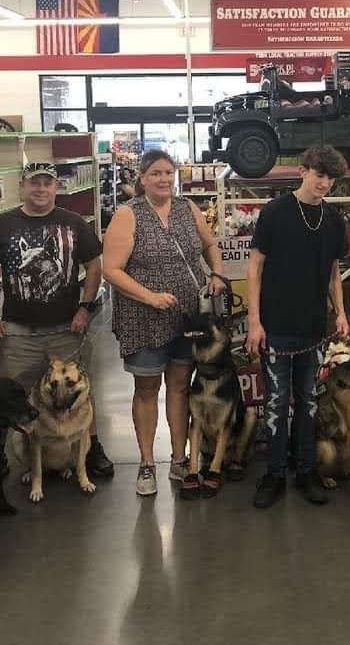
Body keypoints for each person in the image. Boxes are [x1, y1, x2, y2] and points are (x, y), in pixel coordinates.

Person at [0, 161, 113, 479]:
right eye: (34, 183)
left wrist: (85, 307)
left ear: (56, 187)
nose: (41, 189)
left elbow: (94, 264)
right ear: (22, 186)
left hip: (66, 330)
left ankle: (91, 448)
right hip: (18, 333)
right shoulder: (2, 225)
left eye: (47, 183)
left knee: (79, 394)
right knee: (10, 396)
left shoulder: (73, 223)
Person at [103, 150, 225, 496]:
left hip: (186, 314)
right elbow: (111, 269)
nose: (163, 179)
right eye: (155, 173)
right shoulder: (128, 215)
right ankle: (146, 463)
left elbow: (210, 243)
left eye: (168, 172)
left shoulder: (188, 209)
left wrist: (215, 272)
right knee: (146, 390)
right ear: (142, 178)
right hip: (143, 317)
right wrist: (150, 296)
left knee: (181, 384)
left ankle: (178, 457)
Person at [246, 145, 350, 509]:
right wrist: (254, 321)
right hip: (275, 325)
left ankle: (305, 470)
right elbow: (254, 267)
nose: (324, 183)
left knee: (307, 402)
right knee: (275, 403)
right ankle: (274, 473)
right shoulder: (275, 213)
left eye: (330, 177)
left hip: (313, 327)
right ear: (303, 171)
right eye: (319, 174)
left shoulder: (334, 220)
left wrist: (340, 313)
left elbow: (335, 272)